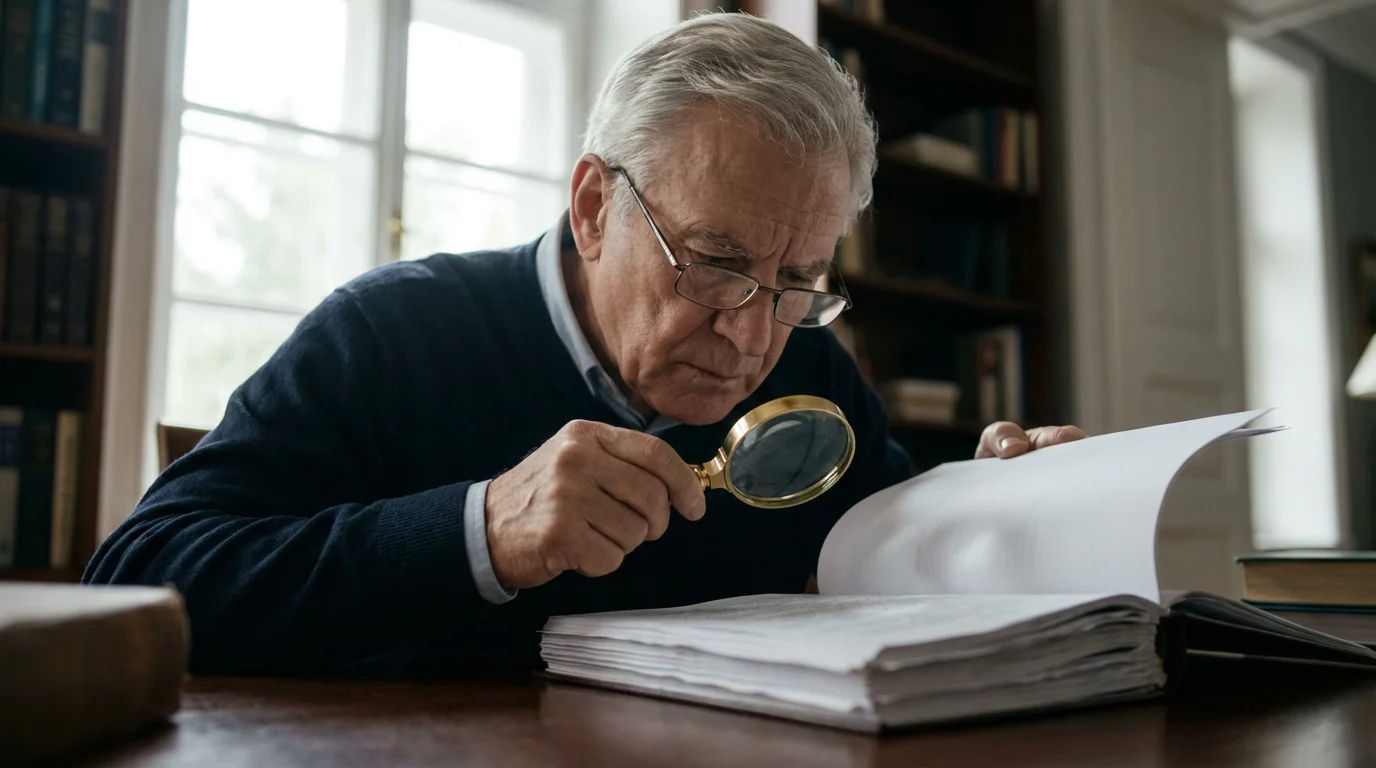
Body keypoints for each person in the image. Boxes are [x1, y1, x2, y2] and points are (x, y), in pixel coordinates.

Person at [83, 12, 1085, 676]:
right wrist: (480, 531)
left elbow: (878, 545)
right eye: (712, 262)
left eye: (794, 284)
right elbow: (135, 582)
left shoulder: (806, 364)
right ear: (595, 204)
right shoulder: (390, 333)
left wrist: (988, 503)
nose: (747, 334)